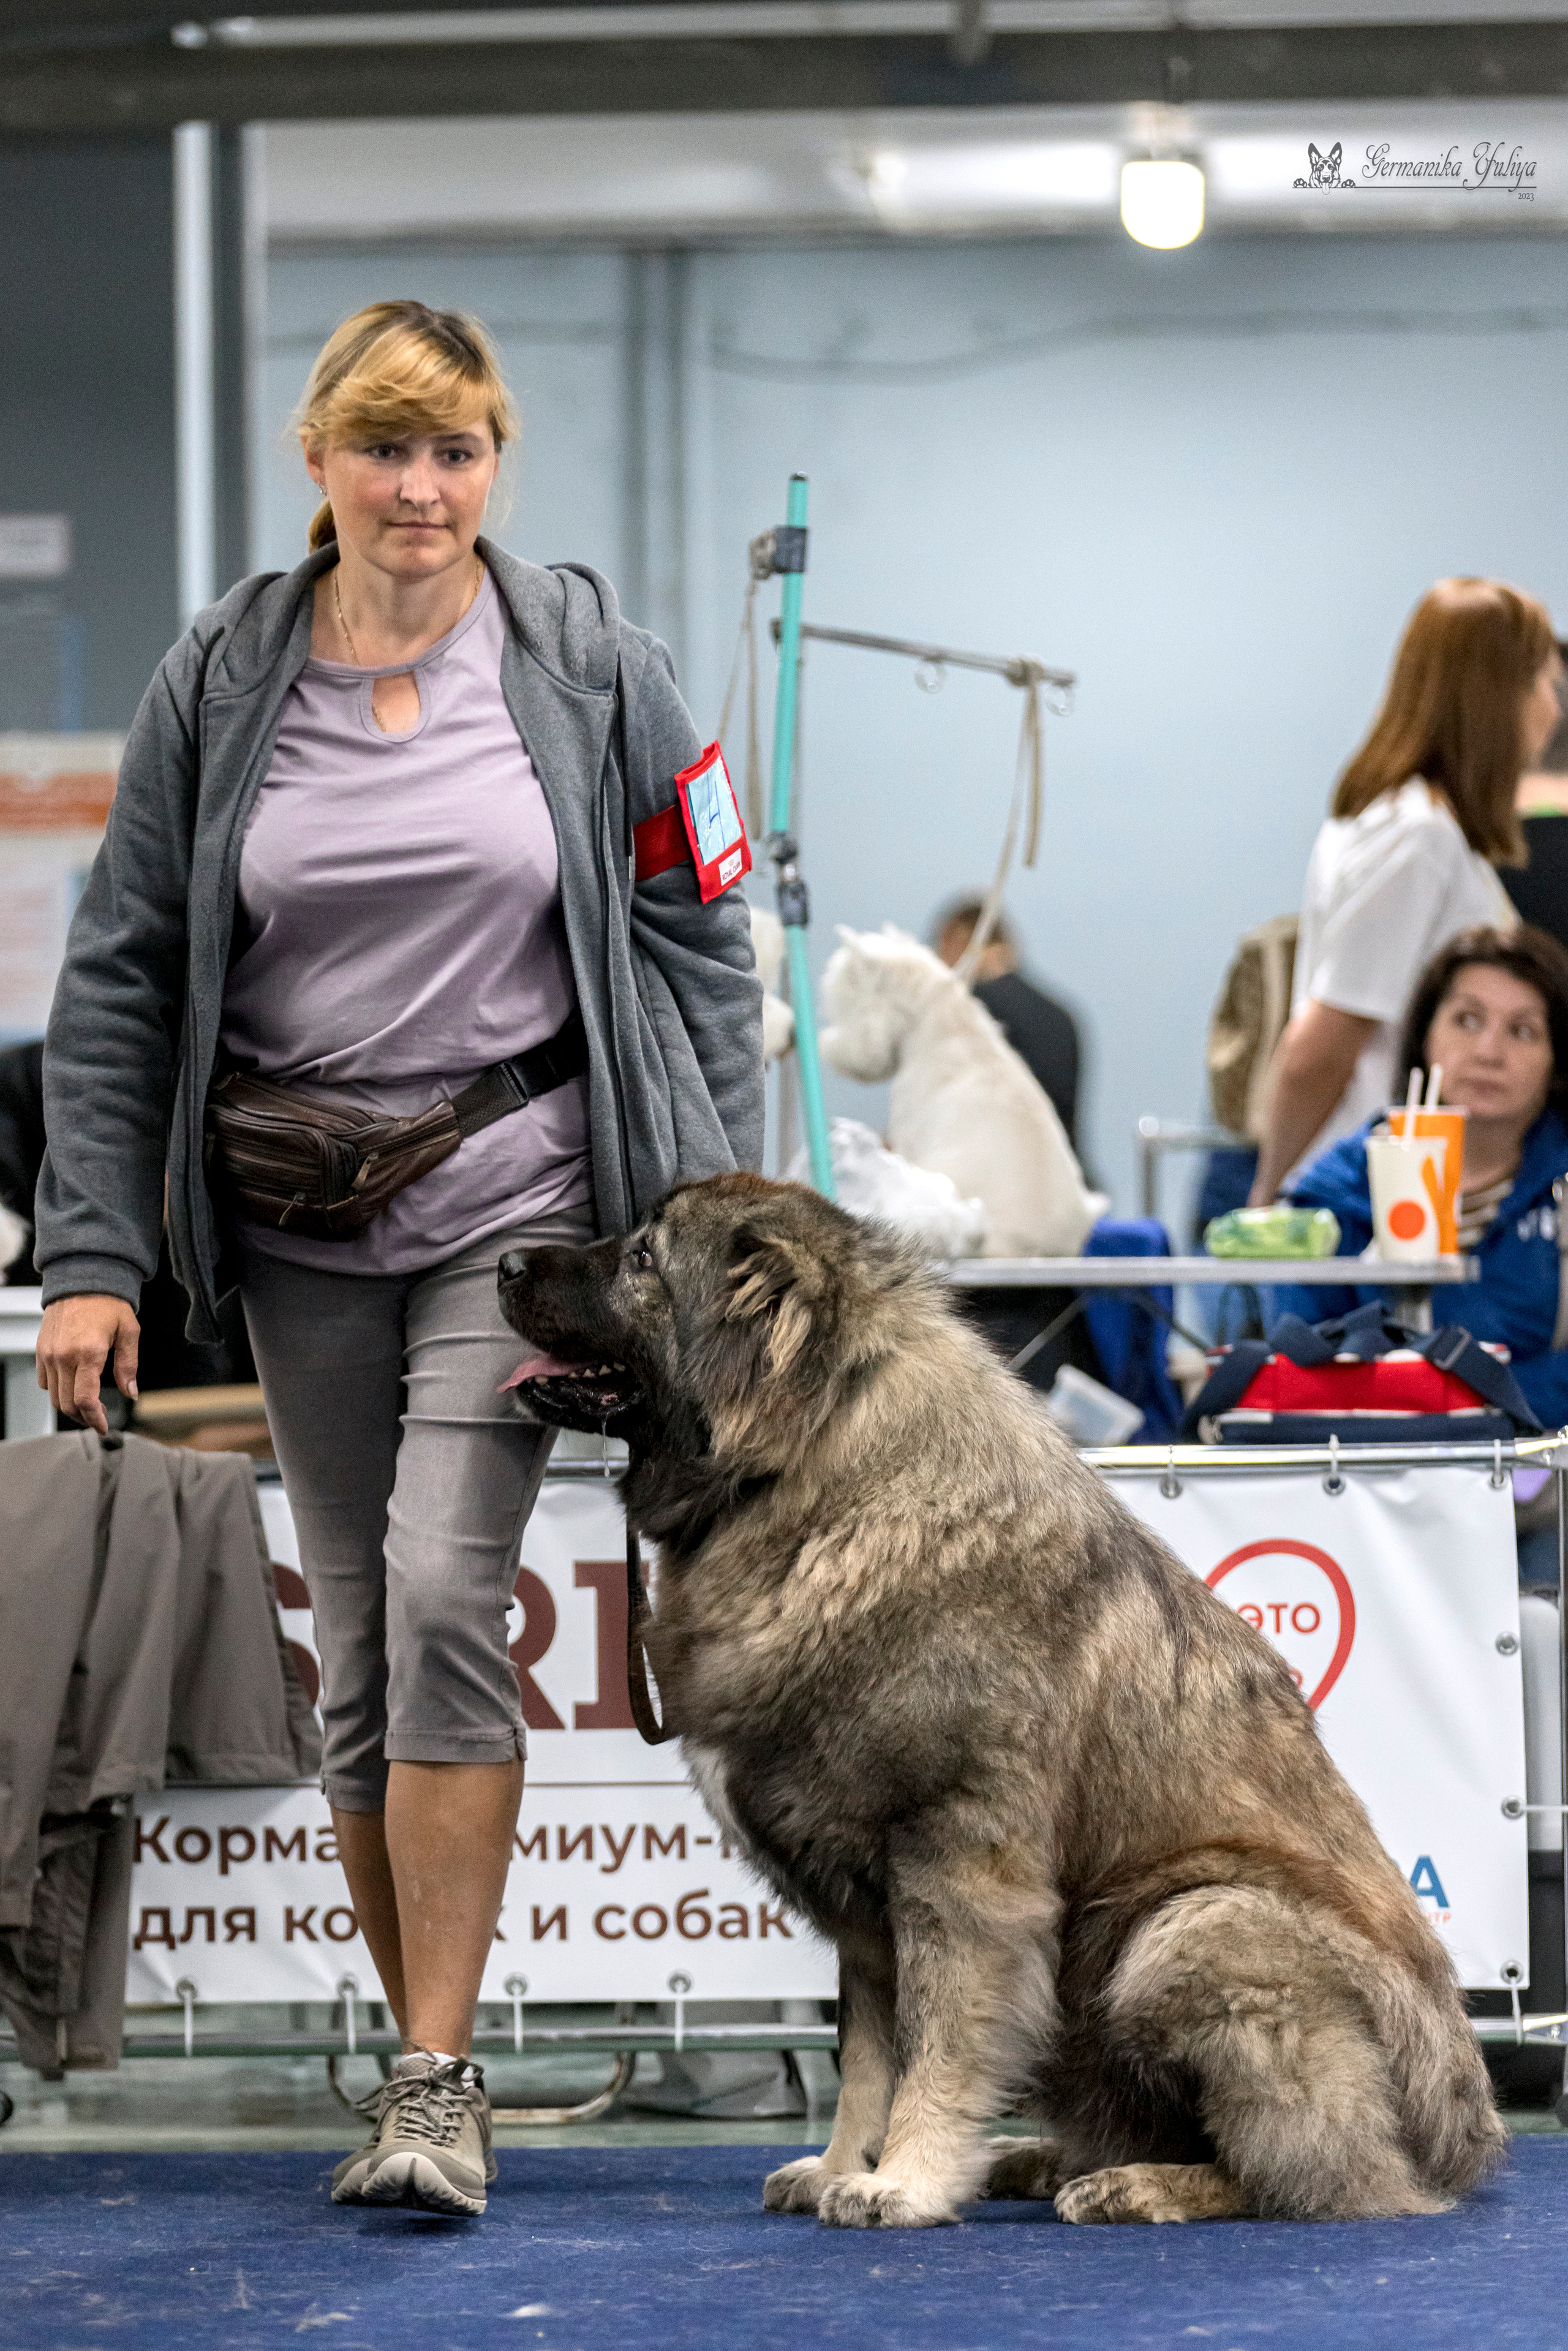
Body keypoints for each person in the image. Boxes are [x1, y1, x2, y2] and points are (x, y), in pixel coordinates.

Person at [32, 300, 762, 2216]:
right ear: (321, 464)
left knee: (448, 1584)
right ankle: (418, 2060)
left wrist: (726, 1230)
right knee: (355, 1635)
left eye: (453, 451)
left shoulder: (597, 667)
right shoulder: (218, 679)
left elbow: (704, 947)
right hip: (292, 1219)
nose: (418, 487)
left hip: (523, 1204)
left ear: (494, 465)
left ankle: (440, 2081)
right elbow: (117, 983)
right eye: (383, 448)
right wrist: (92, 1256)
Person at [1251, 579, 1561, 1204]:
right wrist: (1267, 1193)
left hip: (1400, 1186)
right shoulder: (1416, 838)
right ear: (1495, 698)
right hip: (1369, 1195)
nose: (1552, 710)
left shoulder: (1419, 829)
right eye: (1543, 686)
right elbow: (1325, 1041)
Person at [1276, 924, 1568, 1446]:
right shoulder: (1338, 1191)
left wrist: (1465, 1406)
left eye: (1522, 1031)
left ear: (1557, 1062)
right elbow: (1295, 1366)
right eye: (1466, 1020)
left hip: (1539, 1477)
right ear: (1423, 1037)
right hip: (1370, 1477)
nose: (1488, 1051)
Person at [932, 897, 1085, 1155]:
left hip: (996, 1178)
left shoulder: (967, 1012)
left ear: (956, 942)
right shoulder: (1063, 1016)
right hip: (1064, 1176)